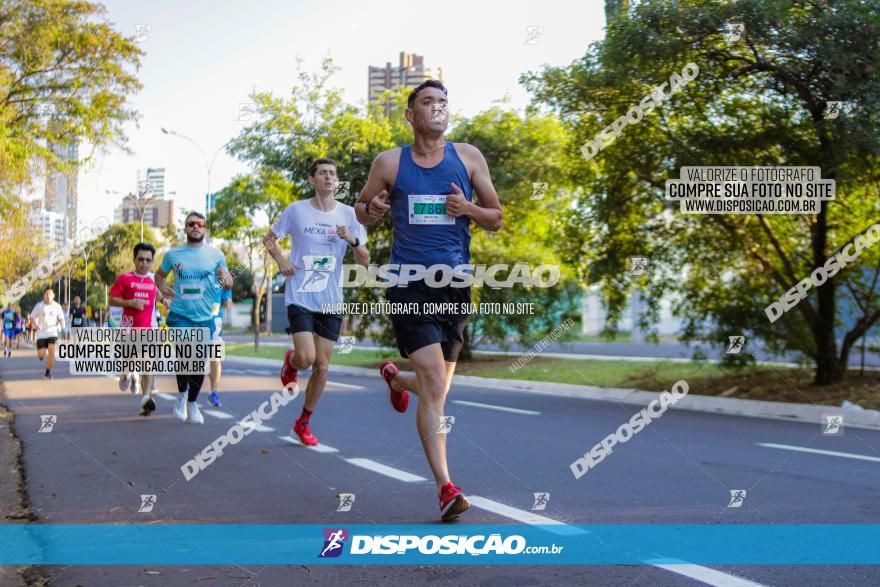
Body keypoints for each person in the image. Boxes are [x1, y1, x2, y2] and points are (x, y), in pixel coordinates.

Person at [355, 80, 503, 521]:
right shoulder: (389, 162)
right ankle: (445, 488)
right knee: (436, 382)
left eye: (443, 102)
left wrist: (469, 210)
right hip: (409, 283)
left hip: (455, 283)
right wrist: (373, 210)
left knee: (437, 388)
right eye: (428, 102)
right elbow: (361, 209)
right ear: (410, 114)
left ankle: (397, 379)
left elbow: (495, 217)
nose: (437, 108)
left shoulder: (469, 156)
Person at [264, 158, 369, 446]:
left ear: (337, 181)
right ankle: (293, 361)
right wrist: (283, 261)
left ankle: (303, 422)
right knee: (307, 358)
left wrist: (353, 240)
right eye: (322, 173)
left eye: (332, 174)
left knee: (322, 367)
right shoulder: (296, 210)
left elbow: (365, 259)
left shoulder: (349, 215)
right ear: (312, 179)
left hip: (331, 298)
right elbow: (269, 239)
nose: (328, 178)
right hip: (300, 293)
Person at [155, 212, 233, 424]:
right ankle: (181, 396)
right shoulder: (173, 255)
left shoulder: (216, 255)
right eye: (191, 224)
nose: (196, 227)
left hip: (205, 316)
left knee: (200, 362)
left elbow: (228, 283)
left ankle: (192, 403)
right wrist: (163, 291)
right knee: (184, 356)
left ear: (205, 229)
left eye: (200, 224)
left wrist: (224, 279)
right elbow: (159, 276)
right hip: (180, 314)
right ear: (186, 229)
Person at [108, 243, 159, 416]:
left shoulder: (154, 280)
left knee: (148, 366)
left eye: (148, 260)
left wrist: (166, 301)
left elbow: (160, 295)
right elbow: (111, 299)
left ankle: (146, 400)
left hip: (149, 331)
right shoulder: (125, 279)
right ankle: (126, 373)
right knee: (129, 363)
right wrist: (128, 302)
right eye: (141, 259)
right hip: (129, 330)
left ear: (153, 262)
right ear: (134, 259)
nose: (144, 263)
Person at [29, 288, 67, 379]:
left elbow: (61, 318)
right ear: (44, 295)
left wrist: (63, 327)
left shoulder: (57, 306)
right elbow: (32, 317)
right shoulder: (39, 306)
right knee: (41, 355)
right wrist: (36, 324)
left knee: (52, 353)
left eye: (50, 294)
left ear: (53, 296)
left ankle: (47, 372)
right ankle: (42, 353)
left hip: (52, 332)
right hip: (41, 334)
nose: (48, 296)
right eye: (46, 294)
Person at [206, 284, 233, 407]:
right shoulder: (198, 270)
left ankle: (214, 392)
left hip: (216, 324)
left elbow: (227, 288)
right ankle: (187, 394)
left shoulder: (221, 272)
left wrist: (228, 299)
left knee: (216, 360)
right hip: (197, 320)